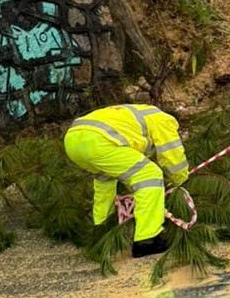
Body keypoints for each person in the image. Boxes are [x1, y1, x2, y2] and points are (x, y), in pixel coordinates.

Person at [64, 104, 190, 257]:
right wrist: (180, 179)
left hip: (72, 141)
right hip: (100, 141)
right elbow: (171, 154)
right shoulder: (164, 120)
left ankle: (102, 231)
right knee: (149, 175)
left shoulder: (138, 113)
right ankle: (148, 239)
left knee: (105, 181)